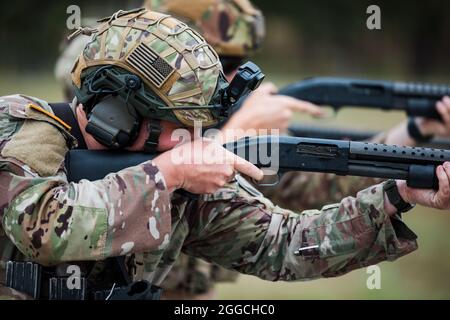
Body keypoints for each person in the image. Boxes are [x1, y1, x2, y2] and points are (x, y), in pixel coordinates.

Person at [2, 9, 450, 300]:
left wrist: (396, 194)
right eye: (182, 130)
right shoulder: (19, 128)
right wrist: (170, 170)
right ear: (115, 118)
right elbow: (41, 227)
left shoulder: (173, 175)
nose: (194, 143)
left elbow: (283, 244)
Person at [145, 0, 450, 299]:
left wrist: (412, 139)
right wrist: (236, 131)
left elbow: (307, 200)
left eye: (239, 63)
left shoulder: (228, 120)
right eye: (218, 64)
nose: (233, 79)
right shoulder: (125, 137)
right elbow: (144, 189)